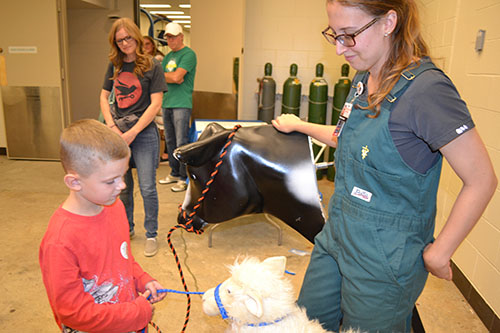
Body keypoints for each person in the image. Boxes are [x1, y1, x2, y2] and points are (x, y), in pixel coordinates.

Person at [272, 1, 497, 332]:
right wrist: (299, 125)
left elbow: (482, 179)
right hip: (337, 236)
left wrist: (440, 253)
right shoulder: (364, 78)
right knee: (307, 322)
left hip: (384, 257)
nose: (339, 48)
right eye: (334, 34)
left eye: (349, 35)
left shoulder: (427, 90)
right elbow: (345, 137)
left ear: (388, 22)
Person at [39, 119, 166, 332]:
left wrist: (142, 280)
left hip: (127, 319)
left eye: (123, 175)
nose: (122, 185)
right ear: (74, 182)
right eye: (111, 181)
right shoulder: (60, 242)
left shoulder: (114, 208)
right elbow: (72, 312)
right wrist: (136, 313)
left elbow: (123, 259)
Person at [100, 18, 167, 256]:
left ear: (137, 38)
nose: (125, 43)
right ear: (115, 42)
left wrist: (133, 132)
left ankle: (152, 234)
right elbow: (104, 95)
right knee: (123, 186)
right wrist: (111, 127)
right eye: (120, 40)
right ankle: (126, 229)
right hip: (118, 132)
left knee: (148, 187)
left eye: (128, 38)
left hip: (144, 133)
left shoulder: (152, 65)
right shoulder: (115, 65)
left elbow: (156, 103)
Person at [158, 22, 197, 192]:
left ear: (181, 36)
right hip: (167, 102)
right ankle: (174, 172)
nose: (171, 40)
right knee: (171, 141)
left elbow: (177, 78)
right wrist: (168, 76)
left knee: (182, 141)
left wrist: (163, 75)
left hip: (181, 103)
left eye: (173, 37)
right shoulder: (168, 57)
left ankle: (183, 177)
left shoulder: (189, 54)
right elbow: (168, 77)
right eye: (168, 37)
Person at [143, 35, 169, 164]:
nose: (144, 47)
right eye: (142, 44)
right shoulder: (139, 61)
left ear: (153, 45)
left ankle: (160, 155)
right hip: (145, 101)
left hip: (158, 99)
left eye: (147, 44)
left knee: (160, 129)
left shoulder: (157, 60)